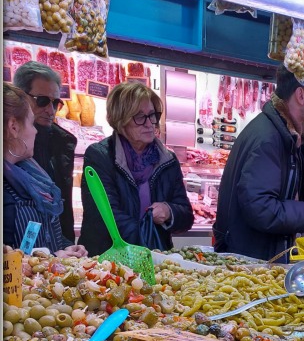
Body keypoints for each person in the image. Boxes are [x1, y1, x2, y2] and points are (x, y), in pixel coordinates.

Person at [213, 60, 304, 260]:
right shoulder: (269, 138)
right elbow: (260, 208)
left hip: (255, 256)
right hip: (250, 260)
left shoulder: (279, 132)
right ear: (300, 95)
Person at [79, 81, 194, 256]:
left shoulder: (168, 160)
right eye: (139, 117)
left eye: (152, 115)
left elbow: (186, 216)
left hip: (154, 261)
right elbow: (107, 215)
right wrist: (147, 247)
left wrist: (169, 211)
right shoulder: (100, 156)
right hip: (107, 259)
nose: (150, 124)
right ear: (121, 120)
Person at [3, 83, 87, 258]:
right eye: (31, 123)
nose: (35, 131)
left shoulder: (31, 173)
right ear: (13, 127)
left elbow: (46, 233)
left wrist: (65, 248)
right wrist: (53, 259)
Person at [13, 61, 77, 243]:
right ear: (20, 97)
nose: (50, 110)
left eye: (56, 103)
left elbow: (62, 211)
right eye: (42, 101)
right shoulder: (10, 144)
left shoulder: (63, 143)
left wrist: (66, 244)